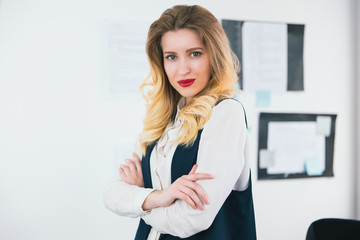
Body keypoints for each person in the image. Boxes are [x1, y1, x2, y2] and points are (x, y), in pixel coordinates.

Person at [103, 4, 256, 240]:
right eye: (171, 57)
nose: (182, 69)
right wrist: (160, 197)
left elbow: (191, 219)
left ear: (214, 55)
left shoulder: (226, 113)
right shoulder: (163, 118)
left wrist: (139, 200)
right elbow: (111, 193)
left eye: (195, 53)